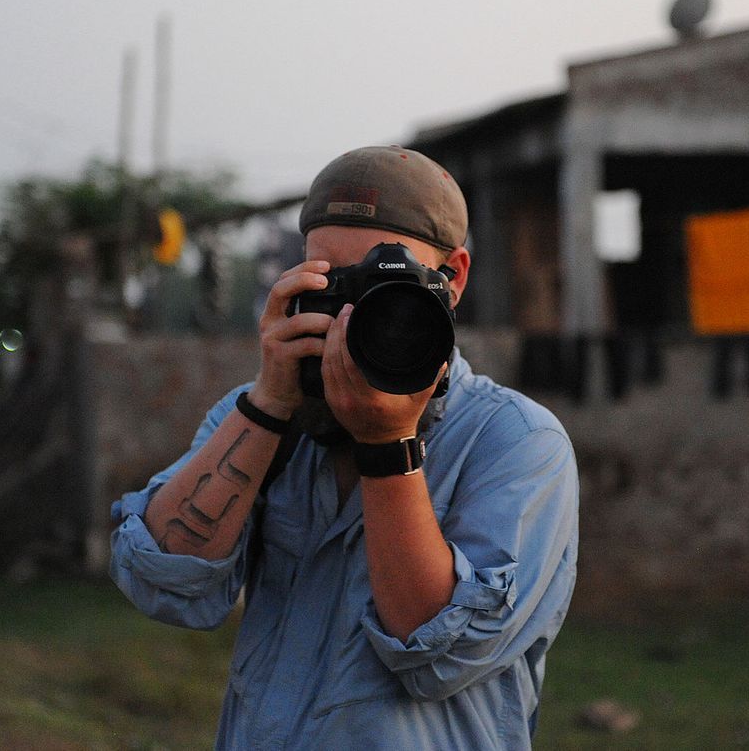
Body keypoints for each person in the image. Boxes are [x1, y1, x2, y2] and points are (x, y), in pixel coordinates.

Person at [110, 146, 579, 749]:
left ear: (455, 277)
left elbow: (437, 656)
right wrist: (270, 403)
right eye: (333, 279)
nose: (356, 310)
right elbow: (163, 583)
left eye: (386, 280)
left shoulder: (516, 441)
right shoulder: (261, 415)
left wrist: (387, 446)